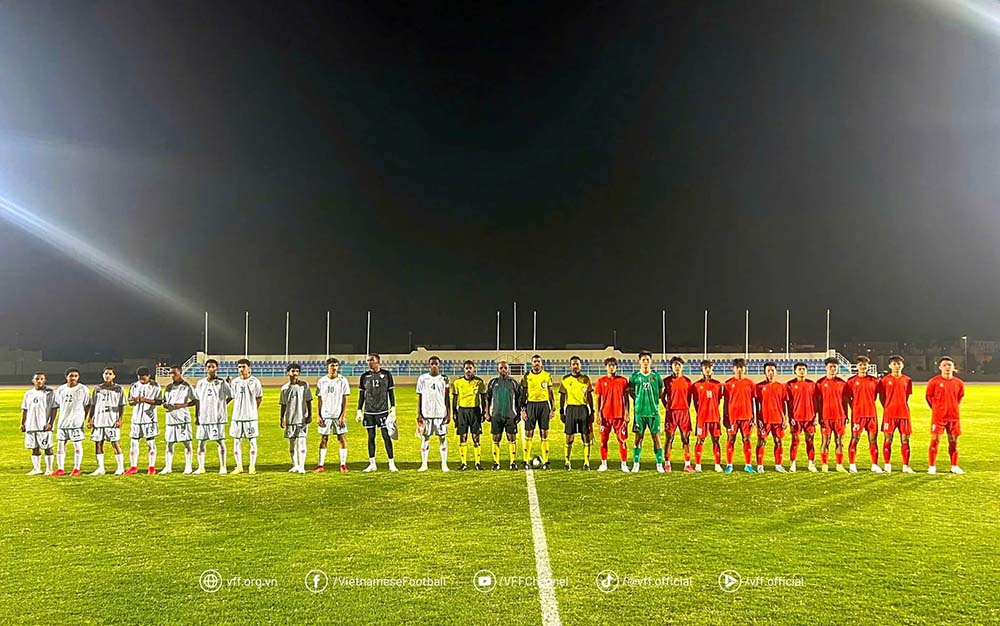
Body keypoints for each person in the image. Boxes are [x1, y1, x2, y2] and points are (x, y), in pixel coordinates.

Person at [357, 353, 398, 472]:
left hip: (383, 411)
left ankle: (391, 463)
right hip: (369, 412)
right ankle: (372, 463)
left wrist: (393, 407)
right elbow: (361, 395)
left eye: (372, 360)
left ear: (378, 361)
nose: (370, 362)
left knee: (386, 436)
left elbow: (391, 392)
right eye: (368, 360)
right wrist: (359, 410)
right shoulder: (364, 376)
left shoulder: (386, 374)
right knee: (371, 437)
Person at [926, 356, 965, 475]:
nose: (947, 367)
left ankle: (954, 466)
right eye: (944, 365)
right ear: (939, 367)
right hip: (939, 418)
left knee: (953, 442)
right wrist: (937, 410)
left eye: (949, 365)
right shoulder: (934, 382)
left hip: (953, 417)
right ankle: (932, 466)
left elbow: (959, 398)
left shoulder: (959, 383)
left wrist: (951, 408)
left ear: (953, 367)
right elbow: (928, 398)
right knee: (935, 441)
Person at [628, 351, 665, 473]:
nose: (645, 362)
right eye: (643, 359)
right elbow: (631, 392)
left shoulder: (656, 376)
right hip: (640, 413)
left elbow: (661, 392)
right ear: (639, 361)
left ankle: (659, 464)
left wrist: (653, 401)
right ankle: (636, 463)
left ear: (651, 361)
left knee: (656, 437)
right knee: (638, 438)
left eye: (647, 360)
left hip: (653, 413)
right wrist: (639, 400)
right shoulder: (634, 377)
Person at [194, 359, 232, 474]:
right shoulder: (200, 383)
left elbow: (231, 395)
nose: (210, 369)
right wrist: (197, 416)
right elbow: (197, 400)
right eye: (208, 367)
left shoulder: (221, 383)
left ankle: (223, 466)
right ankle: (201, 467)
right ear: (205, 369)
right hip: (204, 417)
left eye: (213, 367)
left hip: (217, 418)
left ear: (216, 368)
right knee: (201, 442)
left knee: (220, 442)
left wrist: (222, 405)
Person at [877, 355, 914, 473]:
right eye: (894, 364)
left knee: (905, 440)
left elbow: (906, 396)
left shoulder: (907, 380)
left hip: (904, 414)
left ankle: (905, 466)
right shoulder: (884, 380)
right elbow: (882, 398)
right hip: (889, 414)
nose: (896, 366)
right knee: (888, 440)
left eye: (899, 364)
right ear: (889, 366)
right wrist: (888, 407)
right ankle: (887, 465)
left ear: (902, 365)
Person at [87, 367, 126, 475]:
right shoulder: (97, 389)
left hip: (111, 421)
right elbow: (93, 405)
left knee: (115, 444)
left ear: (114, 376)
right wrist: (90, 419)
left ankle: (120, 467)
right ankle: (100, 468)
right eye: (105, 373)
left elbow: (122, 405)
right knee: (98, 444)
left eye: (110, 373)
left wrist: (120, 419)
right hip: (99, 421)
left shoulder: (118, 389)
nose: (107, 375)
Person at [593, 357, 630, 472]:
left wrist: (627, 412)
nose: (611, 367)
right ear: (605, 367)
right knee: (604, 441)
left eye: (613, 365)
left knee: (622, 440)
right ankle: (604, 463)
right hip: (605, 416)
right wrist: (598, 414)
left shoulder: (623, 381)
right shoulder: (601, 381)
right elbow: (597, 399)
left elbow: (626, 398)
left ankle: (624, 464)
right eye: (609, 365)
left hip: (619, 416)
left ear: (616, 367)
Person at [846, 355, 882, 473]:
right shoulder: (851, 381)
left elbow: (877, 396)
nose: (863, 367)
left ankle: (874, 465)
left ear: (868, 366)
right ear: (857, 366)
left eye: (865, 364)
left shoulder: (875, 381)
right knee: (855, 439)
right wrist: (855, 408)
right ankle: (852, 465)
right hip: (858, 415)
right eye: (861, 364)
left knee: (873, 440)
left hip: (871, 415)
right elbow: (847, 398)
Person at [53, 368, 90, 476]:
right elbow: (58, 404)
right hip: (63, 423)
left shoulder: (83, 389)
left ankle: (77, 468)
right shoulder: (60, 389)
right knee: (60, 446)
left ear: (78, 377)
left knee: (77, 445)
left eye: (75, 376)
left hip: (76, 423)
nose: (73, 378)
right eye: (71, 376)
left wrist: (84, 417)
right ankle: (60, 469)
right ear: (66, 377)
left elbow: (87, 404)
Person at [315, 357, 350, 473]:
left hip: (338, 415)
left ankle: (343, 464)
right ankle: (320, 465)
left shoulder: (342, 380)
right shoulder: (322, 381)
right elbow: (319, 400)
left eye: (336, 365)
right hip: (325, 415)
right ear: (327, 367)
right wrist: (318, 415)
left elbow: (345, 399)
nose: (334, 368)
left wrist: (343, 415)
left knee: (341, 438)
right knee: (323, 439)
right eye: (332, 366)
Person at [126, 367, 163, 475]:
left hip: (149, 419)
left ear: (149, 376)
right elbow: (130, 402)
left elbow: (159, 401)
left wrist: (145, 400)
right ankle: (133, 466)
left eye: (143, 378)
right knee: (134, 442)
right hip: (136, 419)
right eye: (140, 378)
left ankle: (151, 467)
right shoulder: (134, 385)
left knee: (150, 442)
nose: (142, 380)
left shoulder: (155, 386)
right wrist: (134, 401)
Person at [416, 356, 450, 472]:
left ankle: (444, 464)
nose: (434, 366)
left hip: (440, 414)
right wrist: (419, 413)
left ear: (439, 365)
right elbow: (420, 396)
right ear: (429, 365)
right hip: (427, 413)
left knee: (443, 438)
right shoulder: (422, 379)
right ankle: (424, 464)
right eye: (432, 364)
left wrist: (448, 413)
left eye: (436, 363)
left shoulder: (444, 379)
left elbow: (447, 397)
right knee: (425, 438)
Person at [559, 356, 594, 470]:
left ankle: (586, 463)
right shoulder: (565, 379)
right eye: (573, 364)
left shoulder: (586, 379)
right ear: (570, 366)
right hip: (570, 409)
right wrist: (561, 411)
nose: (575, 366)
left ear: (580, 366)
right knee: (569, 438)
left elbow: (589, 396)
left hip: (583, 409)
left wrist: (592, 411)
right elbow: (562, 396)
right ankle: (567, 461)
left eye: (577, 364)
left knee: (585, 437)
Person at [520, 355, 555, 470]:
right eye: (534, 361)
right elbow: (523, 395)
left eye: (538, 361)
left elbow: (551, 394)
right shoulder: (527, 376)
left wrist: (553, 408)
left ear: (541, 363)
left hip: (544, 406)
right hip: (531, 405)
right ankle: (525, 460)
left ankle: (545, 462)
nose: (536, 363)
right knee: (528, 433)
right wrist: (523, 410)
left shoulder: (546, 375)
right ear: (531, 363)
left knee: (544, 433)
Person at [230, 358, 263, 475]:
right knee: (236, 441)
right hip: (237, 417)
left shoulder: (255, 382)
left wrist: (253, 410)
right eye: (239, 367)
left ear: (249, 368)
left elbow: (259, 398)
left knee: (252, 441)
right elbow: (232, 397)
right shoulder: (234, 382)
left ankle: (252, 467)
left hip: (251, 417)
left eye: (243, 367)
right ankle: (239, 467)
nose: (241, 369)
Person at [452, 360, 488, 471]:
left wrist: (484, 411)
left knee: (476, 437)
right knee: (463, 437)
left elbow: (483, 397)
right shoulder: (458, 382)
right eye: (466, 368)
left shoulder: (479, 382)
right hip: (462, 411)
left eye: (470, 368)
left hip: (475, 411)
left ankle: (477, 463)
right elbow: (455, 397)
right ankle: (464, 463)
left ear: (473, 369)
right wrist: (454, 412)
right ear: (464, 369)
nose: (468, 370)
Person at [816, 356, 849, 472]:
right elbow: (818, 402)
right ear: (826, 368)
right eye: (830, 367)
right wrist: (818, 416)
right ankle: (824, 465)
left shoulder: (842, 383)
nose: (833, 369)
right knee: (826, 441)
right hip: (826, 417)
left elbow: (845, 401)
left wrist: (846, 415)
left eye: (835, 367)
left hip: (839, 417)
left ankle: (839, 465)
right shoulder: (820, 383)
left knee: (840, 441)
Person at [661, 356, 694, 472]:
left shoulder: (688, 382)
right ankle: (667, 463)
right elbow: (662, 396)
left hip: (684, 413)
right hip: (671, 413)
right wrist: (667, 406)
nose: (677, 367)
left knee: (685, 439)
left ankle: (687, 464)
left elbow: (689, 397)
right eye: (675, 364)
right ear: (671, 367)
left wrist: (685, 406)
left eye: (679, 364)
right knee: (669, 438)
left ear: (682, 367)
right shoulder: (666, 381)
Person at [487, 361, 521, 471]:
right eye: (501, 368)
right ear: (498, 370)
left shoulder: (513, 382)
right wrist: (487, 413)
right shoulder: (493, 382)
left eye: (505, 368)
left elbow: (519, 399)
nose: (503, 370)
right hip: (496, 415)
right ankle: (496, 462)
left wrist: (519, 413)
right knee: (496, 438)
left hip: (510, 415)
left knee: (511, 438)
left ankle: (513, 462)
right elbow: (487, 398)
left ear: (508, 369)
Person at [162, 365, 196, 474]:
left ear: (180, 373)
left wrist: (182, 405)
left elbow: (195, 401)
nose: (172, 376)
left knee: (186, 443)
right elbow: (164, 401)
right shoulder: (168, 387)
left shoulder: (187, 386)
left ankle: (188, 466)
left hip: (183, 418)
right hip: (170, 419)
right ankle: (168, 467)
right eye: (171, 373)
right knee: (169, 443)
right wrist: (166, 405)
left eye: (174, 373)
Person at [691, 360, 724, 473]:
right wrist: (701, 412)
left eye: (709, 367)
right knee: (700, 440)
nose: (708, 369)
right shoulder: (696, 385)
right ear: (702, 369)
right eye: (705, 367)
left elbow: (718, 400)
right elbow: (695, 402)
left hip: (714, 418)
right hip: (702, 419)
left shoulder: (718, 385)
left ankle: (717, 465)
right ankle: (698, 465)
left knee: (716, 440)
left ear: (712, 369)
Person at [723, 358, 756, 473]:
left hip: (747, 417)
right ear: (734, 369)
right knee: (731, 439)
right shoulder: (728, 384)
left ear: (745, 369)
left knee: (746, 439)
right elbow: (725, 403)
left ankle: (748, 465)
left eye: (741, 367)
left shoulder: (750, 384)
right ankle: (729, 464)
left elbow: (753, 402)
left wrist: (754, 417)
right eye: (737, 367)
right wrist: (725, 417)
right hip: (733, 418)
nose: (739, 370)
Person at [754, 362, 787, 473]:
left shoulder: (781, 387)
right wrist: (757, 419)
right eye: (768, 370)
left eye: (773, 370)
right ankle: (760, 466)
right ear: (765, 372)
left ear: (776, 372)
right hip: (764, 419)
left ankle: (778, 465)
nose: (771, 373)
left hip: (778, 420)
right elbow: (756, 405)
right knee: (762, 442)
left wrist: (785, 418)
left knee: (778, 442)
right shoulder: (759, 387)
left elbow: (784, 404)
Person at [280, 363, 312, 474]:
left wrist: (310, 415)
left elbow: (309, 401)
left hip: (302, 419)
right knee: (292, 444)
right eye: (293, 371)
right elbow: (283, 405)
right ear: (288, 373)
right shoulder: (284, 388)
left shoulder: (304, 385)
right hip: (290, 420)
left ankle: (302, 466)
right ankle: (295, 465)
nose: (295, 373)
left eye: (297, 371)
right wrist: (281, 418)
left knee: (302, 442)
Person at [21, 372, 55, 476]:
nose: (39, 381)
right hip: (31, 425)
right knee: (34, 448)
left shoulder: (49, 392)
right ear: (33, 381)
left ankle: (49, 469)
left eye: (41, 379)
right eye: (37, 379)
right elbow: (25, 409)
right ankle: (37, 469)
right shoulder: (28, 393)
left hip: (43, 426)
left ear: (45, 380)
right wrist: (23, 423)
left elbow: (54, 408)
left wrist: (50, 423)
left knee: (47, 447)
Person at [785, 362, 818, 472]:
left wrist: (816, 416)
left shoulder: (812, 384)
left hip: (809, 418)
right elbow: (788, 403)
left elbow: (816, 401)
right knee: (795, 441)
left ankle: (811, 464)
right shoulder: (789, 385)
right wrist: (790, 417)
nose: (802, 371)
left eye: (804, 369)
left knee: (810, 441)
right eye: (799, 369)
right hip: (796, 418)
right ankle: (793, 464)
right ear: (795, 371)